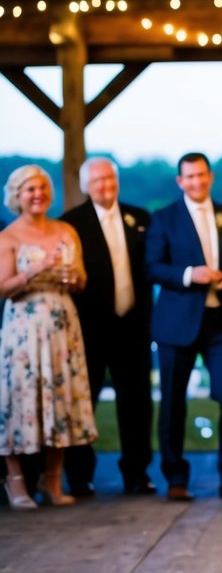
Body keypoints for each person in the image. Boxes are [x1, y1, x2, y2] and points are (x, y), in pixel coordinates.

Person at [145, 153, 222, 502]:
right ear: (180, 181)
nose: (196, 182)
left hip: (221, 321)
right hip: (176, 322)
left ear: (210, 177)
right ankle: (176, 478)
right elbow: (152, 267)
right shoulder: (163, 219)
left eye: (201, 175)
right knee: (173, 402)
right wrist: (188, 274)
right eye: (189, 177)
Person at [0, 165, 96, 508]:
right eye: (29, 189)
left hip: (62, 325)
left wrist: (71, 276)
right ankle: (16, 483)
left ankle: (52, 482)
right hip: (24, 329)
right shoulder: (8, 237)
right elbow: (3, 288)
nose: (37, 194)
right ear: (17, 196)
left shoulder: (66, 230)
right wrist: (35, 270)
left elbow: (82, 280)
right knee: (19, 401)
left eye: (41, 187)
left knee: (59, 398)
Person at [61, 157, 155, 497]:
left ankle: (137, 474)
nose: (105, 185)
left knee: (137, 404)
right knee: (85, 404)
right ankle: (80, 476)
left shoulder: (140, 218)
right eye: (98, 180)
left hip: (134, 328)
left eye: (110, 179)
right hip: (89, 331)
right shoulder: (71, 224)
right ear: (86, 185)